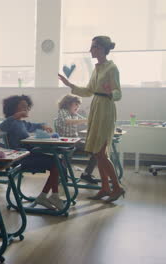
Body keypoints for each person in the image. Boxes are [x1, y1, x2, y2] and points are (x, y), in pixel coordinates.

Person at [58, 35, 125, 202]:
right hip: (96, 106)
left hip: (106, 108)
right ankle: (104, 187)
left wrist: (111, 92)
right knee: (97, 152)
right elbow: (88, 91)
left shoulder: (112, 68)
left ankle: (116, 187)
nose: (90, 50)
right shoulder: (96, 69)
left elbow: (119, 93)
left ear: (102, 48)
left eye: (93, 47)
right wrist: (70, 85)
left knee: (101, 152)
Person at [0, 95, 65, 210]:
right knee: (57, 163)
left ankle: (51, 195)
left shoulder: (22, 123)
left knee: (58, 161)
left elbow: (34, 125)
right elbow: (2, 126)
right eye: (23, 107)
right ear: (13, 108)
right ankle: (48, 196)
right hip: (20, 158)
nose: (26, 109)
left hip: (28, 155)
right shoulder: (12, 122)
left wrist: (43, 125)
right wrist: (15, 116)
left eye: (27, 107)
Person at [55, 94, 98, 184]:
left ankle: (86, 174)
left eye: (79, 105)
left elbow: (87, 121)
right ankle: (63, 176)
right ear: (68, 104)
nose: (77, 107)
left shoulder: (74, 113)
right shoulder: (63, 111)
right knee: (67, 156)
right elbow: (67, 121)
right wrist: (86, 120)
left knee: (96, 150)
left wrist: (92, 121)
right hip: (66, 143)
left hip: (75, 141)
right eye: (76, 105)